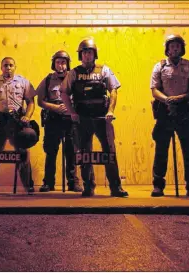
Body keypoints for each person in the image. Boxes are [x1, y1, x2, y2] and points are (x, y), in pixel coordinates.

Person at [60, 38, 128, 197]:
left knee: (109, 151)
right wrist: (72, 112)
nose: (87, 55)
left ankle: (115, 187)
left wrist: (110, 111)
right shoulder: (73, 73)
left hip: (102, 118)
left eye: (89, 52)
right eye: (84, 52)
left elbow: (113, 91)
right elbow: (64, 93)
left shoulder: (104, 70)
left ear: (94, 54)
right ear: (80, 55)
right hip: (82, 118)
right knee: (84, 153)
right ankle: (88, 186)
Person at [0, 57, 37, 194]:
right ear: (1, 67)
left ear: (15, 67)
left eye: (10, 65)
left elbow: (31, 102)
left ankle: (28, 185)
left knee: (23, 151)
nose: (8, 68)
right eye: (5, 65)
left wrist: (27, 116)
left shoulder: (23, 82)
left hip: (16, 121)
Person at [150, 34, 189, 197]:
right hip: (165, 111)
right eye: (172, 46)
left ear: (182, 48)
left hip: (185, 110)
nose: (175, 48)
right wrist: (167, 100)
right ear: (167, 49)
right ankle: (158, 185)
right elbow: (154, 89)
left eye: (178, 45)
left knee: (188, 149)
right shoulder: (160, 66)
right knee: (161, 149)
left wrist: (180, 98)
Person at [36, 50, 82, 192]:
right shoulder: (48, 80)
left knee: (71, 151)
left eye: (63, 62)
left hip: (70, 119)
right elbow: (40, 101)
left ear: (67, 64)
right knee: (51, 151)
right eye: (58, 62)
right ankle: (48, 182)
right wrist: (55, 107)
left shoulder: (75, 78)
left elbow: (81, 98)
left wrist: (69, 107)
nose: (60, 65)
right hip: (53, 119)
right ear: (53, 64)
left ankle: (73, 182)